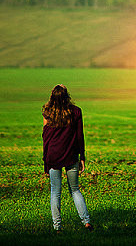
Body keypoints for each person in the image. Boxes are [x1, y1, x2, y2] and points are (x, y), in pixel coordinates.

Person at [42, 84, 93, 233]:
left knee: (55, 192)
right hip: (71, 156)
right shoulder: (76, 112)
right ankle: (86, 222)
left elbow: (45, 139)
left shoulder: (47, 113)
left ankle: (57, 227)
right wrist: (82, 156)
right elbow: (79, 136)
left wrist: (46, 161)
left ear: (52, 97)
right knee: (75, 190)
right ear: (67, 96)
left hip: (53, 156)